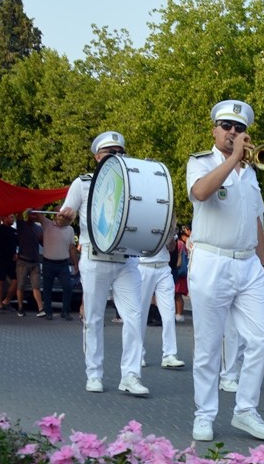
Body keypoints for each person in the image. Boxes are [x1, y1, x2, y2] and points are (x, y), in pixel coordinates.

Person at [186, 100, 264, 443]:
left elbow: (256, 218)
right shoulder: (200, 162)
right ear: (214, 130)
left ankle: (245, 410)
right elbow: (200, 192)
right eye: (226, 127)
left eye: (239, 129)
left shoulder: (251, 172)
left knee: (261, 339)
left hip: (247, 263)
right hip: (212, 260)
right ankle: (204, 414)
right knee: (208, 346)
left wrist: (263, 262)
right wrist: (234, 158)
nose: (233, 133)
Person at [56, 131, 147, 396]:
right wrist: (65, 218)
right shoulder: (82, 183)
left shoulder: (134, 184)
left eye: (120, 152)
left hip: (126, 260)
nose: (116, 157)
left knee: (134, 317)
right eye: (110, 153)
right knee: (94, 319)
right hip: (95, 259)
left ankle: (130, 375)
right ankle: (94, 373)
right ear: (97, 157)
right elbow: (62, 219)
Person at [139, 237, 185, 369]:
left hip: (163, 267)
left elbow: (171, 247)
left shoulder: (167, 217)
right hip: (143, 265)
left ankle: (169, 354)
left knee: (169, 313)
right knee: (140, 314)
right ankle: (137, 354)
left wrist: (170, 234)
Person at [13, 210, 45, 317]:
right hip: (23, 261)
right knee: (21, 285)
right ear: (28, 215)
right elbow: (19, 215)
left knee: (36, 286)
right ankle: (20, 307)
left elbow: (43, 243)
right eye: (33, 214)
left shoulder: (38, 228)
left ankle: (40, 308)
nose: (35, 216)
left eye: (36, 214)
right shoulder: (22, 225)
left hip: (35, 262)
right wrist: (23, 206)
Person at [0, 214, 19, 312]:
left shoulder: (14, 232)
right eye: (11, 217)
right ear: (4, 218)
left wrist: (16, 253)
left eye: (13, 217)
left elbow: (18, 244)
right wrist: (1, 212)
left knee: (16, 281)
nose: (13, 219)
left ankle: (6, 301)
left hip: (11, 260)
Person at [172, 227, 189, 321]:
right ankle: (178, 314)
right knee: (177, 294)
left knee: (176, 294)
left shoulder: (178, 243)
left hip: (177, 270)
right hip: (182, 272)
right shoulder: (182, 244)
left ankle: (178, 314)